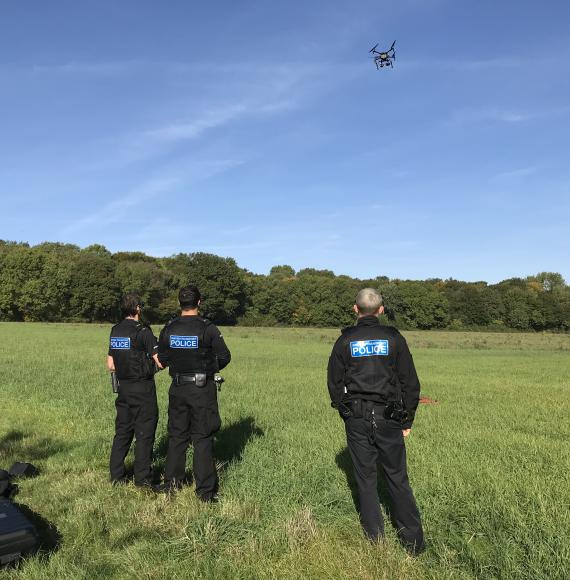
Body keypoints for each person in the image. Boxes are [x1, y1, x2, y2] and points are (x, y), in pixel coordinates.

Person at [327, 288, 425, 554]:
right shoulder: (394, 338)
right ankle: (413, 544)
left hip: (357, 418)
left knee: (365, 479)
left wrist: (346, 413)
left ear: (355, 309)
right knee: (397, 477)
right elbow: (410, 383)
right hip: (390, 417)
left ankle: (375, 541)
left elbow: (334, 384)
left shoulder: (344, 341)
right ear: (381, 310)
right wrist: (407, 420)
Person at [156, 285, 231, 500]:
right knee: (202, 437)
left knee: (177, 436)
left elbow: (162, 358)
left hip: (178, 388)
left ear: (180, 303)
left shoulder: (169, 328)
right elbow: (224, 356)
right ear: (199, 302)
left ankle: (172, 484)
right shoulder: (208, 328)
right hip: (201, 389)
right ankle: (205, 493)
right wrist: (208, 368)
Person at [107, 293, 161, 488]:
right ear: (138, 308)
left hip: (123, 388)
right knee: (145, 432)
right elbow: (160, 361)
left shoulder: (115, 330)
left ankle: (116, 476)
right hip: (142, 388)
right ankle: (143, 479)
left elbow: (110, 364)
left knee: (122, 431)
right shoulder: (143, 331)